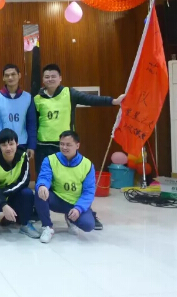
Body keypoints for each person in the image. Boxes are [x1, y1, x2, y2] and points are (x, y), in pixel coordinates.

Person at [34, 64, 124, 230]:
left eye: (53, 76)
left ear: (60, 78)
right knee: (44, 183)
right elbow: (32, 124)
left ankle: (84, 212)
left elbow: (90, 99)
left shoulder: (69, 93)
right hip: (43, 146)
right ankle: (43, 217)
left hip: (64, 146)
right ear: (43, 79)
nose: (50, 79)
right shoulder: (37, 98)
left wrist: (113, 101)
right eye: (47, 76)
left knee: (74, 182)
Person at [35, 131, 96, 243]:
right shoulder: (50, 160)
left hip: (75, 203)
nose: (64, 147)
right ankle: (47, 227)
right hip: (57, 199)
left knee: (88, 225)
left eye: (68, 145)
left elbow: (89, 192)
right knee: (39, 190)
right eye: (62, 144)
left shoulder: (87, 165)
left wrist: (79, 208)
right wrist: (42, 185)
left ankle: (71, 219)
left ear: (77, 145)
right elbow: (44, 177)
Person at [0, 129, 39, 238]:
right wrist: (3, 204)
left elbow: (24, 181)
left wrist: (4, 193)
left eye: (11, 144)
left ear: (17, 144)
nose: (8, 148)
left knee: (27, 193)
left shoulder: (23, 156)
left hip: (12, 192)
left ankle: (25, 224)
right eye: (4, 145)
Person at [0, 64, 37, 161]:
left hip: (22, 144)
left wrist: (31, 145)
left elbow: (31, 124)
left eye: (13, 74)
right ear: (3, 78)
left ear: (19, 75)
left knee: (22, 170)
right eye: (7, 75)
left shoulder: (27, 97)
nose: (10, 77)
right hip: (2, 144)